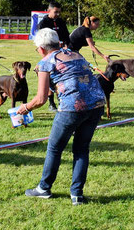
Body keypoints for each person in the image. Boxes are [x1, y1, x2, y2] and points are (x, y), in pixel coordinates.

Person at [19, 28, 106, 206]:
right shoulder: (75, 55)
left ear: (41, 49)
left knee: (54, 148)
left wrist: (25, 107)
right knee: (81, 149)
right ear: (58, 43)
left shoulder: (45, 62)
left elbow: (41, 99)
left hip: (72, 108)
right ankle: (77, 195)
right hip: (96, 104)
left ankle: (44, 188)